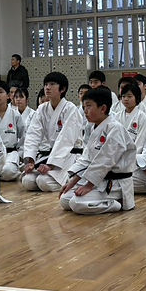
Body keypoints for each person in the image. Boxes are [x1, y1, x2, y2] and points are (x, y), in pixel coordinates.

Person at [59, 87, 136, 215]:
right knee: (65, 200)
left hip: (115, 183)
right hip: (99, 180)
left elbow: (106, 160)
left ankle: (117, 203)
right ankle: (101, 199)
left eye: (89, 106)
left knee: (76, 203)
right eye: (84, 107)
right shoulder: (92, 127)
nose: (85, 111)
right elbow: (86, 159)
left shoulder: (115, 128)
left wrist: (89, 185)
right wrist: (72, 182)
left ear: (103, 108)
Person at [22, 71, 85, 192]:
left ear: (62, 89)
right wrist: (30, 160)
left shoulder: (70, 109)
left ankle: (70, 179)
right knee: (27, 181)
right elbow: (33, 134)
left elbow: (66, 140)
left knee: (43, 182)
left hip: (69, 155)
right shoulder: (42, 109)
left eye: (52, 84)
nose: (47, 87)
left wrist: (51, 164)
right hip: (52, 155)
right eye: (46, 84)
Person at [0, 81, 24, 182]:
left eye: (0, 92)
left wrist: (20, 155)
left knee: (8, 172)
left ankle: (9, 170)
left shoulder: (15, 115)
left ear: (8, 96)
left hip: (10, 153)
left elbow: (23, 137)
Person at [113, 81, 146, 152]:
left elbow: (141, 139)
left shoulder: (141, 116)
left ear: (137, 98)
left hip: (135, 153)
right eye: (123, 96)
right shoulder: (117, 116)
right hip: (119, 151)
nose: (126, 99)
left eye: (129, 96)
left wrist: (132, 154)